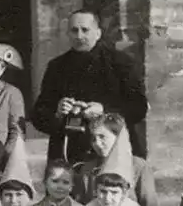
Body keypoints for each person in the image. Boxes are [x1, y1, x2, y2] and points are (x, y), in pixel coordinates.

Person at [32, 9, 149, 163]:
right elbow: (39, 115)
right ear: (68, 34)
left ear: (98, 33)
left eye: (85, 30)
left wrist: (104, 110)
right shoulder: (57, 67)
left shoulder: (121, 63)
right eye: (74, 30)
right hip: (70, 152)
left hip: (113, 150)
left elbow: (139, 107)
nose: (79, 36)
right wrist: (58, 111)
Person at [72, 113, 160, 206]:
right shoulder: (88, 169)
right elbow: (82, 205)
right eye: (93, 139)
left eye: (102, 137)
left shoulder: (138, 166)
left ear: (118, 137)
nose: (97, 144)